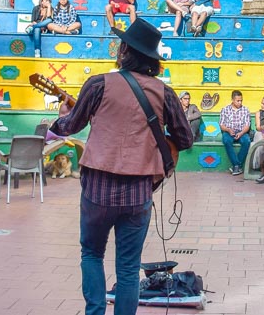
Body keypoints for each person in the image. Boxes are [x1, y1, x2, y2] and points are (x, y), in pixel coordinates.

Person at [50, 17, 194, 315]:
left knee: (91, 253)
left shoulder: (99, 83)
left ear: (125, 50)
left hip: (97, 188)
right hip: (138, 190)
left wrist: (61, 116)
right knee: (128, 268)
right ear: (152, 59)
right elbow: (185, 138)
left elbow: (70, 126)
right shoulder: (164, 93)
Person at [219, 90, 251, 175]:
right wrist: (228, 130)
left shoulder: (245, 110)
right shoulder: (225, 110)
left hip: (242, 132)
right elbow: (222, 125)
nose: (240, 102)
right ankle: (237, 165)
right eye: (238, 101)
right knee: (226, 140)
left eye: (241, 100)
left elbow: (247, 125)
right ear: (232, 100)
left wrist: (241, 133)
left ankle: (236, 166)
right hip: (229, 131)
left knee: (247, 141)